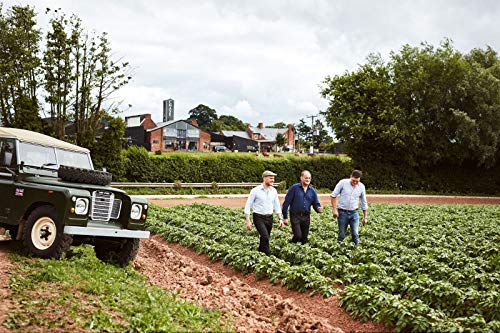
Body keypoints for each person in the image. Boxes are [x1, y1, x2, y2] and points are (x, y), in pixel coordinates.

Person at [244, 170, 284, 255]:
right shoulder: (255, 190)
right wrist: (248, 221)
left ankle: (259, 254)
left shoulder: (274, 191)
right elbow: (248, 205)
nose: (273, 180)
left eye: (273, 178)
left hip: (270, 218)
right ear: (264, 178)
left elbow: (277, 206)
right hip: (258, 217)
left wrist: (280, 219)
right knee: (265, 237)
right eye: (271, 178)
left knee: (265, 238)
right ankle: (268, 256)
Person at [282, 170, 323, 244]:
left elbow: (316, 203)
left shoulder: (312, 191)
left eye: (309, 178)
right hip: (295, 216)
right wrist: (285, 217)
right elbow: (286, 203)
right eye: (306, 178)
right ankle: (292, 245)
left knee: (304, 238)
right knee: (298, 235)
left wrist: (318, 208)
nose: (308, 180)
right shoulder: (294, 188)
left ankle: (301, 251)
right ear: (301, 178)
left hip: (306, 216)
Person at [330, 170, 368, 245]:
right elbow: (333, 196)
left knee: (355, 234)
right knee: (342, 234)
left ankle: (357, 251)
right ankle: (338, 249)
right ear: (350, 177)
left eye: (357, 181)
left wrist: (365, 217)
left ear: (359, 179)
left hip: (354, 213)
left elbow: (364, 202)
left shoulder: (361, 187)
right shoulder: (343, 183)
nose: (355, 182)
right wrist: (334, 210)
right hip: (342, 212)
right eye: (353, 180)